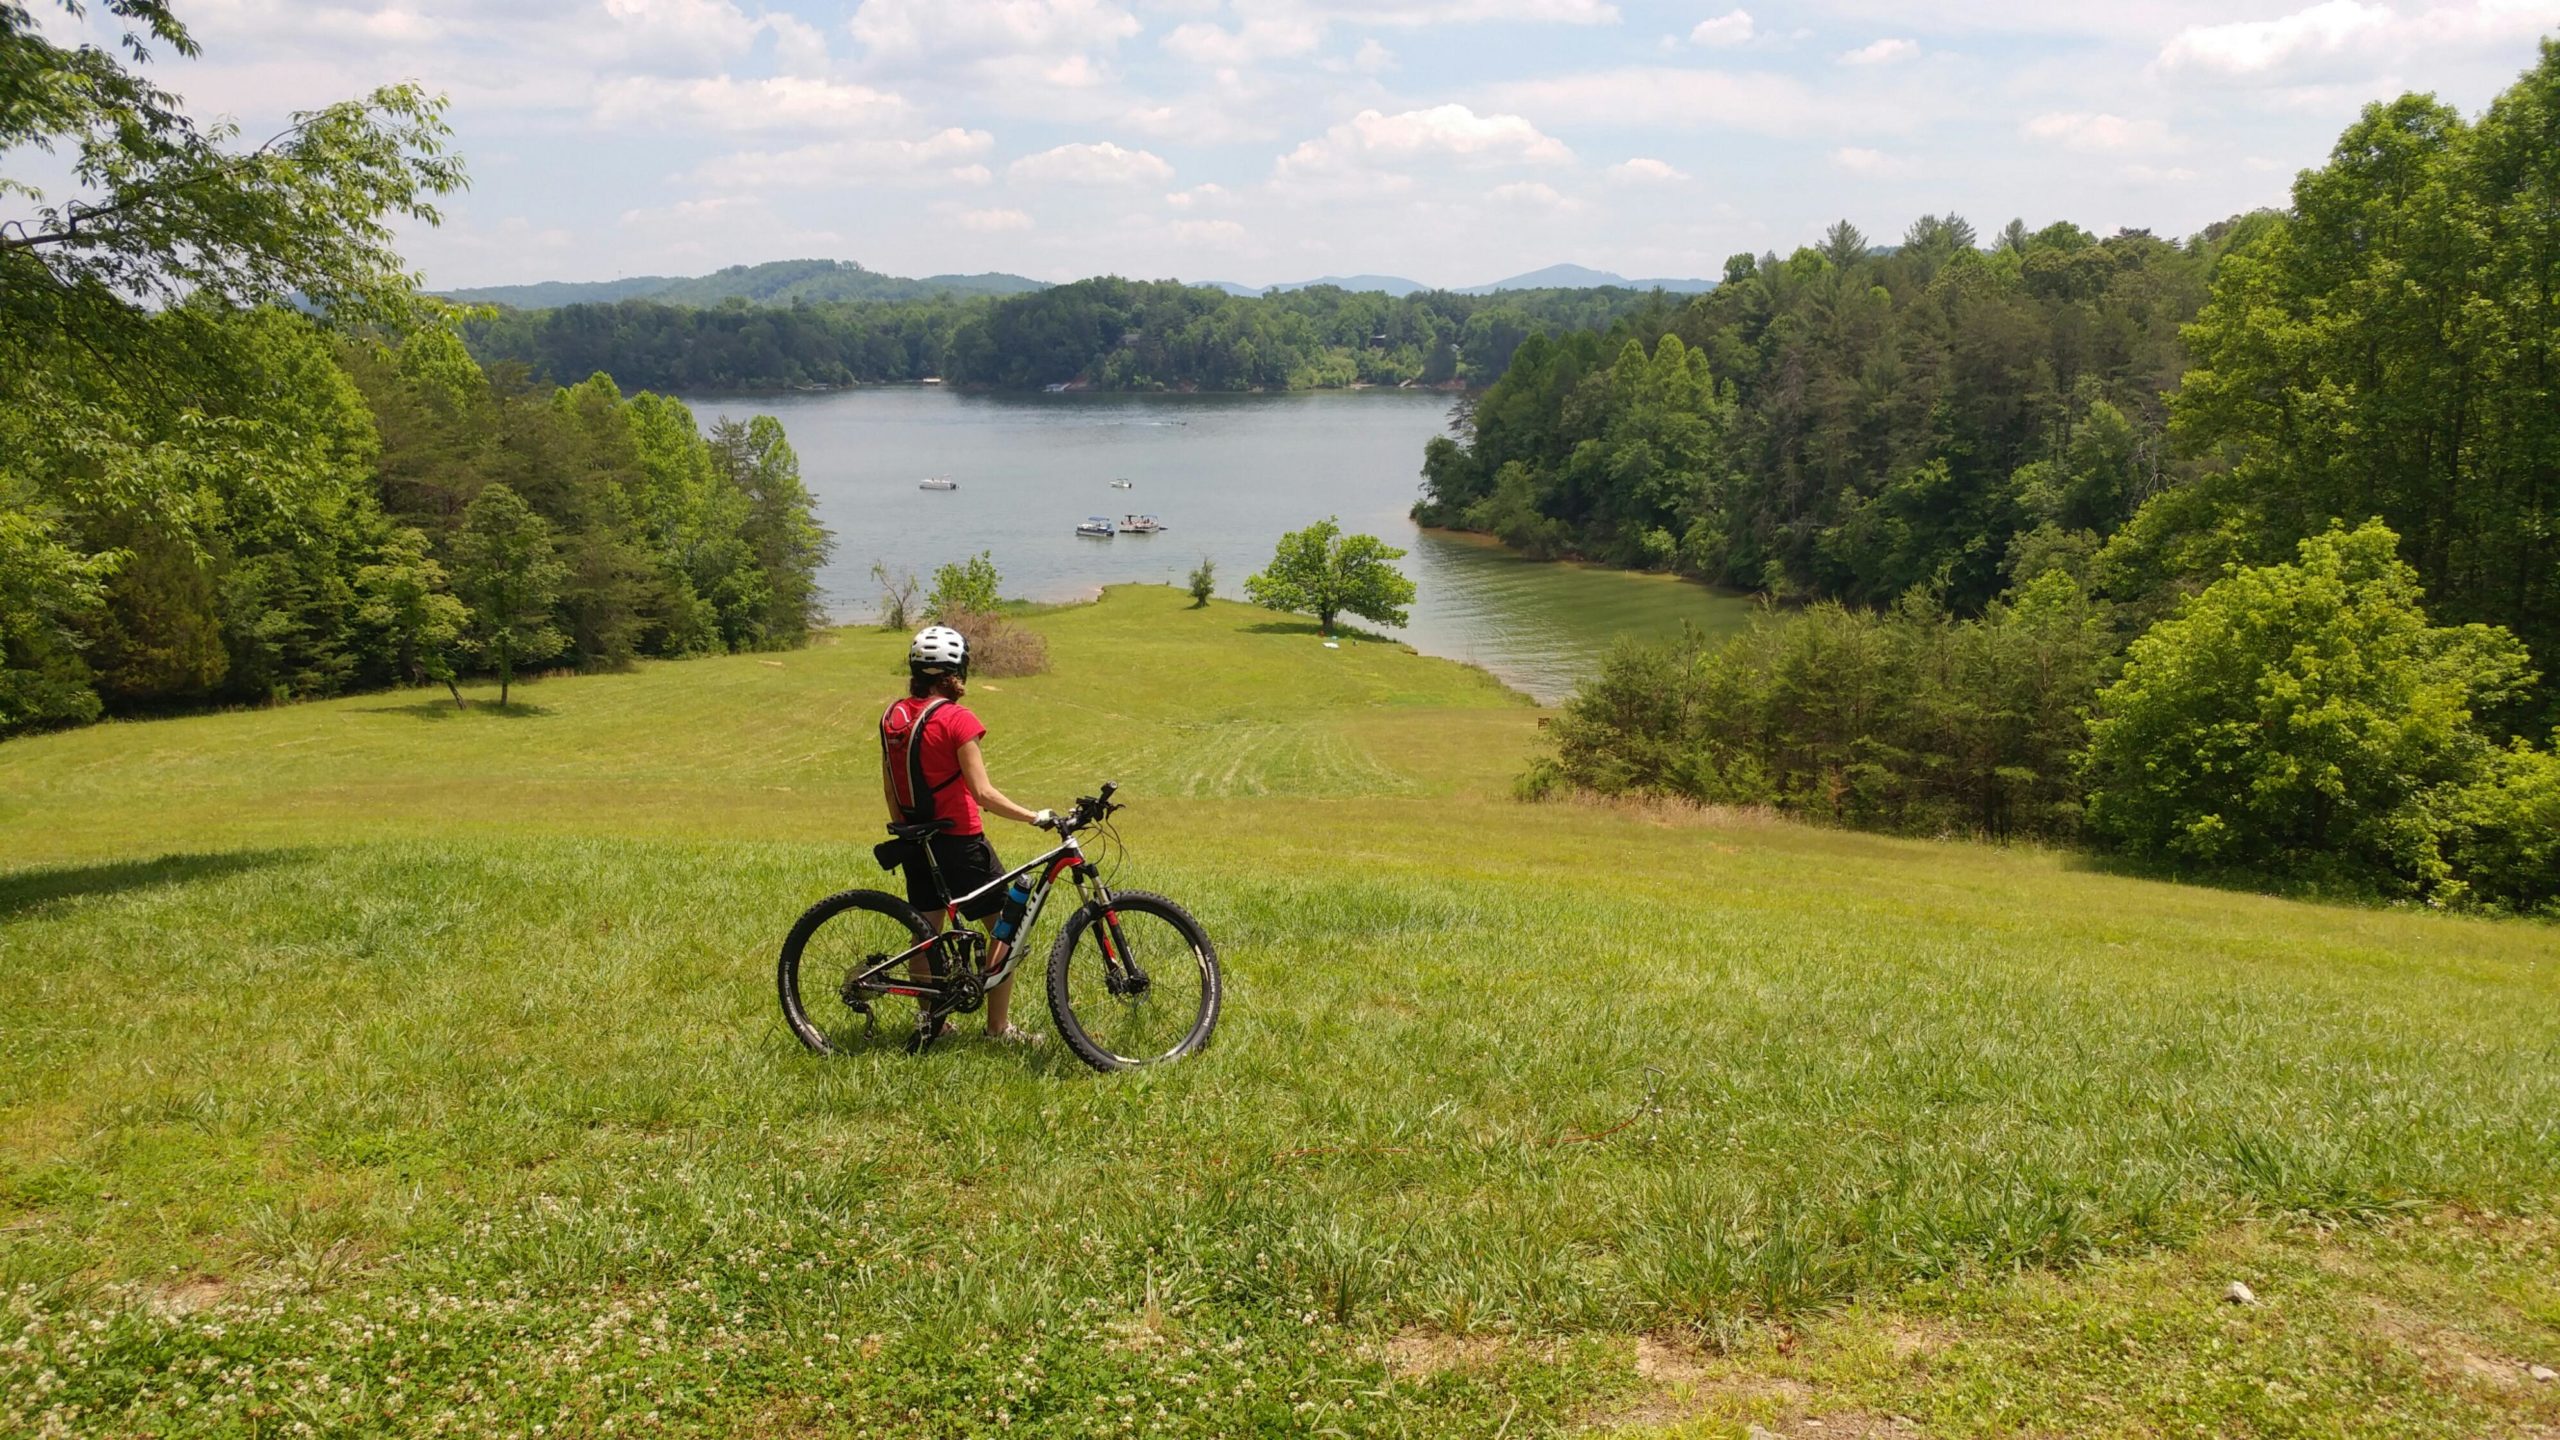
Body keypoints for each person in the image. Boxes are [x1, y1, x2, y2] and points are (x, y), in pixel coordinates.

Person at [880, 624, 1051, 1046]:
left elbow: (889, 785)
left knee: (925, 932)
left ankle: (933, 1023)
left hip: (916, 839)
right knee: (1008, 927)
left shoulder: (894, 716)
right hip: (960, 842)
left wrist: (908, 830)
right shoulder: (957, 719)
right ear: (956, 673)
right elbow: (983, 793)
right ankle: (998, 1028)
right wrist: (1035, 817)